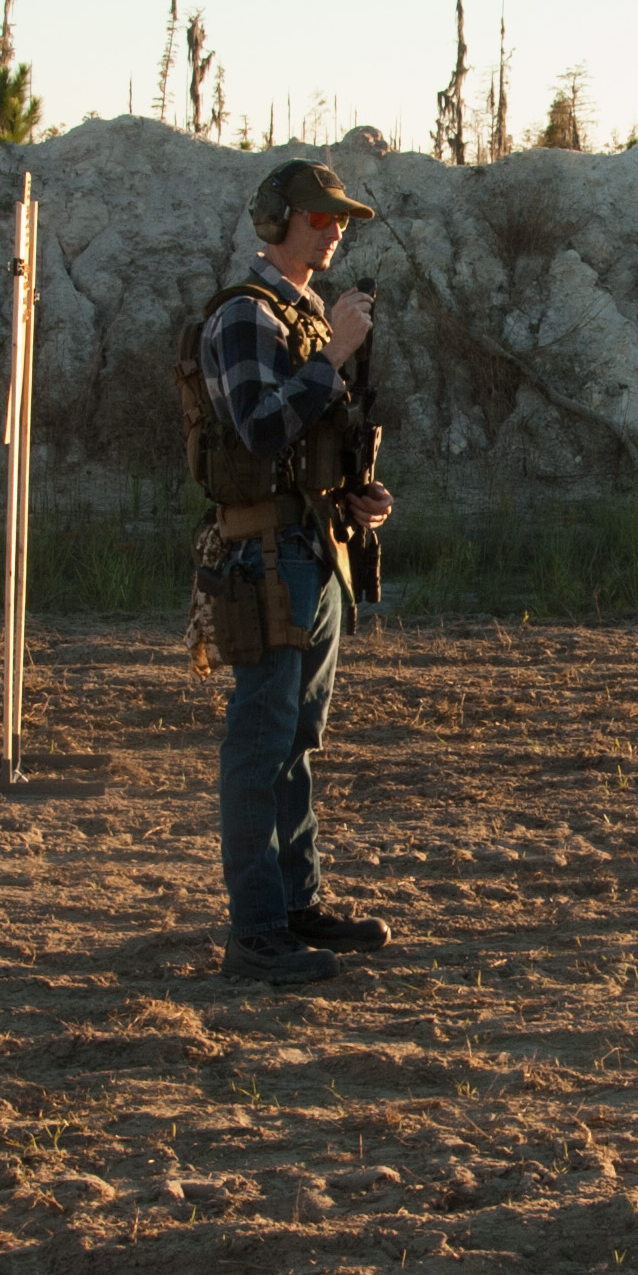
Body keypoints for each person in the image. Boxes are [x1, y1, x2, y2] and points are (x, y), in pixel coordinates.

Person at [192, 159, 400, 984]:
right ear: (277, 220)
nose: (333, 230)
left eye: (338, 218)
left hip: (310, 552)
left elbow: (304, 451)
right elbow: (258, 434)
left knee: (296, 744)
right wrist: (337, 353)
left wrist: (354, 496)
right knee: (259, 744)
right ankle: (256, 932)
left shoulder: (300, 316)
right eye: (319, 218)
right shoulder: (246, 317)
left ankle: (294, 903)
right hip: (264, 559)